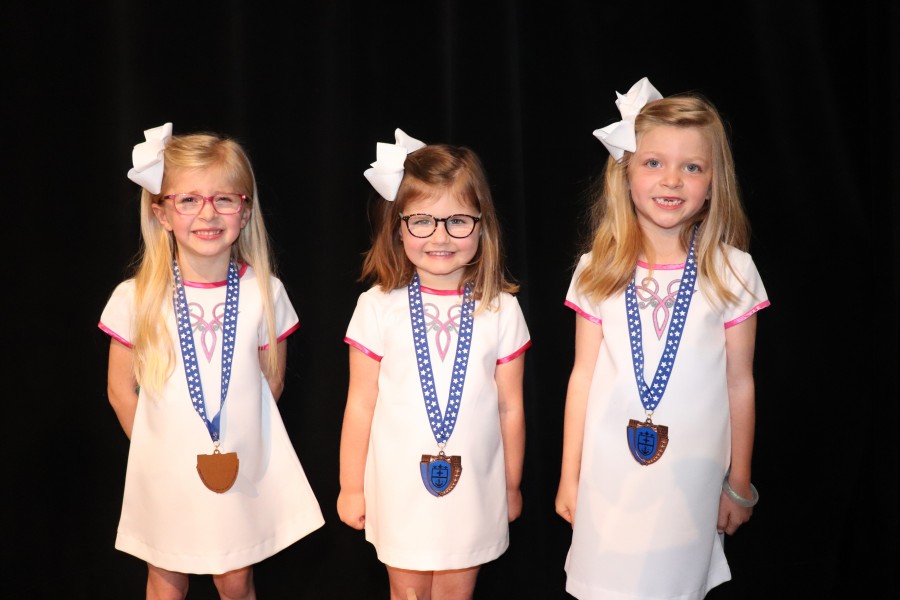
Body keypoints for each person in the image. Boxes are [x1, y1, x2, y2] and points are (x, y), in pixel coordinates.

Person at [555, 78, 769, 599]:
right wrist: (569, 476)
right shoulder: (596, 269)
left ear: (714, 180)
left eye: (691, 166)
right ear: (624, 172)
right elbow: (582, 377)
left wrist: (739, 484)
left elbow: (740, 383)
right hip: (607, 479)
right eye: (653, 162)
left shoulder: (731, 270)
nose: (671, 179)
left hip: (688, 489)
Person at [99, 123, 324, 600]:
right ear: (161, 212)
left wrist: (237, 438)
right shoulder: (135, 297)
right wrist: (155, 453)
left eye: (225, 199)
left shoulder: (265, 293)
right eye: (188, 200)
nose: (208, 213)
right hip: (165, 471)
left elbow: (272, 381)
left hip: (236, 464)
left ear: (244, 213)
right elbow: (120, 389)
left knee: (235, 576)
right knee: (165, 576)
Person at [338, 129, 531, 600]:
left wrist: (510, 486)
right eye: (422, 220)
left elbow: (510, 408)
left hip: (474, 486)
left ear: (481, 226)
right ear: (398, 226)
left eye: (458, 221)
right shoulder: (376, 306)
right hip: (398, 487)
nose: (440, 237)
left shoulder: (501, 309)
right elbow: (361, 404)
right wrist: (351, 487)